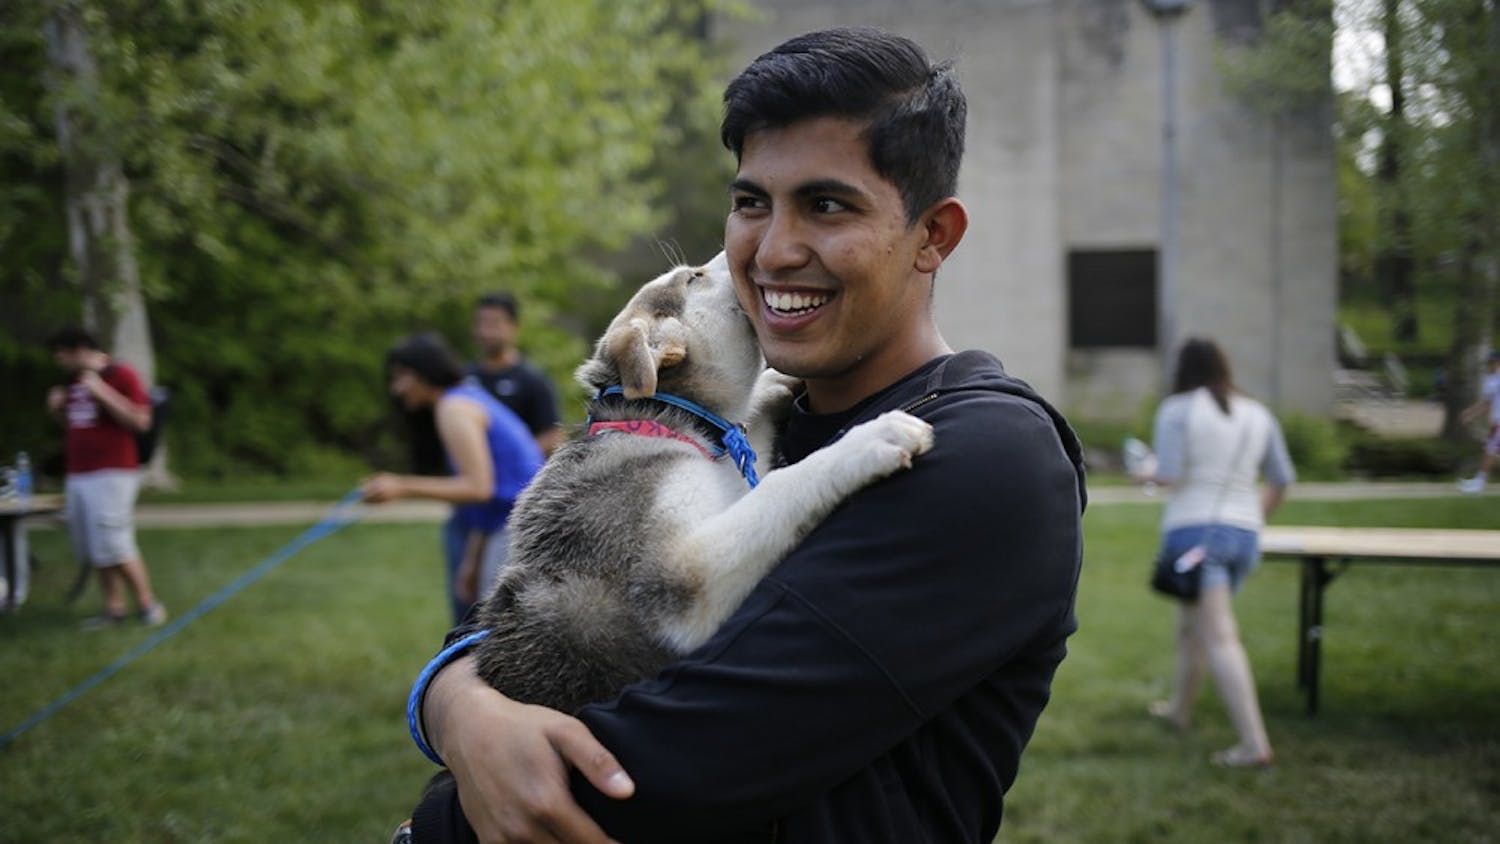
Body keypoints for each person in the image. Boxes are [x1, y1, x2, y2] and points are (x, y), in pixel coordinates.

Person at [404, 27, 1086, 844]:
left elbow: (681, 758)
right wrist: (456, 707)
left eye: (827, 205)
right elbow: (526, 606)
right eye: (751, 202)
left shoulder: (987, 456)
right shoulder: (744, 424)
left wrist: (435, 825)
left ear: (933, 235)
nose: (770, 251)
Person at [1137, 337, 1293, 768]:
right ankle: (1178, 711)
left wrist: (1141, 472)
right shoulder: (1258, 412)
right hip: (1243, 534)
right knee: (1191, 628)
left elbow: (1168, 474)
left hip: (1196, 535)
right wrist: (1253, 520)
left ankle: (1253, 743)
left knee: (1220, 636)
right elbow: (1281, 479)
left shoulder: (1178, 409)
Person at [363, 334, 546, 622]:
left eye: (401, 377)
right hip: (512, 525)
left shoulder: (454, 408)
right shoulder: (466, 397)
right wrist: (473, 560)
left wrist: (401, 486)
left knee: (497, 636)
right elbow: (493, 497)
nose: (396, 389)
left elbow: (478, 487)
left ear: (424, 371)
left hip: (520, 530)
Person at [45, 327, 167, 629]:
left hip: (113, 472)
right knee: (95, 544)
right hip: (79, 474)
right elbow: (77, 425)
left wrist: (102, 391)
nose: (59, 361)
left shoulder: (121, 374)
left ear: (81, 349)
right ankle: (114, 608)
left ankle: (148, 604)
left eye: (62, 354)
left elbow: (141, 420)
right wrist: (56, 410)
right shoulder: (73, 381)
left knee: (115, 541)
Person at [469, 292, 564, 457]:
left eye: (494, 323)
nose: (486, 331)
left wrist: (513, 456)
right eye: (482, 323)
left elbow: (553, 436)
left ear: (514, 327)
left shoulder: (533, 381)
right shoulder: (465, 379)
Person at [1457, 350, 1500, 494]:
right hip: (1496, 422)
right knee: (1491, 451)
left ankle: (1479, 484)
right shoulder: (1491, 380)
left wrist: (1470, 414)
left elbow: (1486, 404)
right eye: (1490, 362)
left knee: (1490, 451)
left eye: (1493, 362)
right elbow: (1486, 404)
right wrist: (1470, 413)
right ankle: (1478, 482)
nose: (1491, 365)